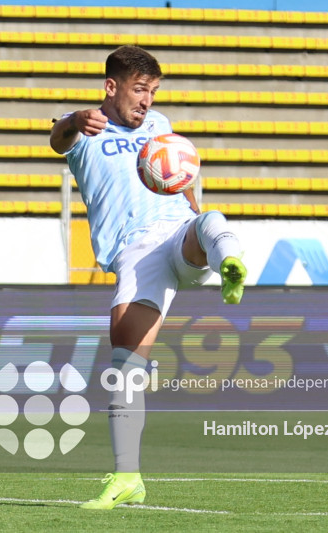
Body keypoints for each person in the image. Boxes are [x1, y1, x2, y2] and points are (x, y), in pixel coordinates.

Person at [49, 45, 246, 510]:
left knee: (210, 218)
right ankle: (127, 477)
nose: (147, 101)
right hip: (136, 253)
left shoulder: (160, 126)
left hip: (178, 231)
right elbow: (57, 139)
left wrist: (193, 214)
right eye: (140, 90)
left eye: (154, 91)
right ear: (111, 87)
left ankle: (230, 265)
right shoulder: (83, 128)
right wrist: (75, 120)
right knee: (124, 365)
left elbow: (181, 179)